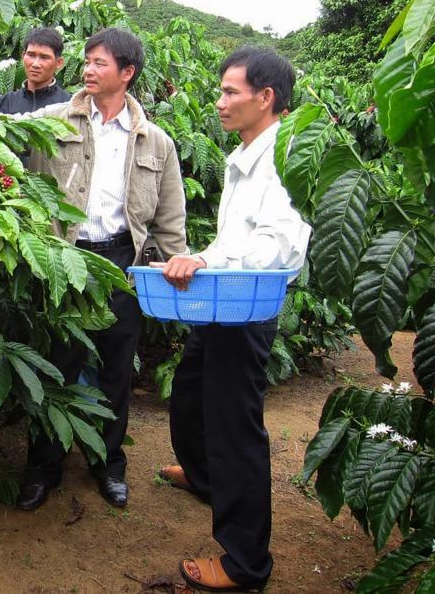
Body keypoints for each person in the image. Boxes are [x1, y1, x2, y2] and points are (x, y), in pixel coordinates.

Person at [154, 47, 311, 592]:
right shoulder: (245, 155)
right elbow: (231, 240)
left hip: (247, 309)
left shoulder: (286, 156)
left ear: (265, 97)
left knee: (234, 426)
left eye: (230, 92)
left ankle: (245, 563)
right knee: (192, 393)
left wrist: (203, 263)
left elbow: (279, 246)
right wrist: (199, 259)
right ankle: (202, 477)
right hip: (223, 302)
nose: (218, 101)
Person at [16, 27, 188, 511]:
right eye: (86, 62)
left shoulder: (157, 143)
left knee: (115, 371)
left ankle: (107, 465)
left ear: (127, 73)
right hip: (64, 258)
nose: (87, 70)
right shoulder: (51, 121)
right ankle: (42, 468)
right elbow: (5, 158)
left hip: (122, 265)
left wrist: (175, 272)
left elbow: (169, 222)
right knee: (56, 366)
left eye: (99, 63)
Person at [0, 27, 70, 115]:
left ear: (59, 63)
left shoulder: (70, 106)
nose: (35, 64)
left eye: (44, 57)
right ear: (23, 56)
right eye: (31, 55)